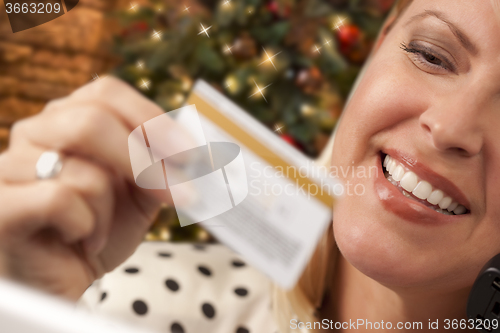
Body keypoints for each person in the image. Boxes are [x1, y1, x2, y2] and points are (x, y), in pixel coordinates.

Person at [0, 0, 499, 331]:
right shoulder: (131, 309)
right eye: (432, 55)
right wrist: (27, 309)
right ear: (378, 49)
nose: (451, 128)